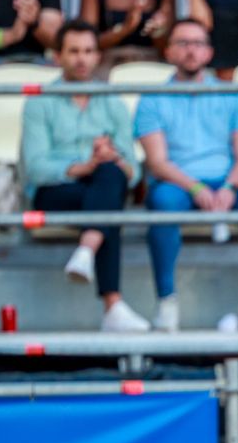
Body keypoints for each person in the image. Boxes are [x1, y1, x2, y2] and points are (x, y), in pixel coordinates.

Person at [137, 18, 238, 332]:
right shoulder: (151, 98)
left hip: (226, 183)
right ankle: (166, 301)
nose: (190, 51)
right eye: (182, 43)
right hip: (178, 184)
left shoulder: (231, 96)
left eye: (197, 43)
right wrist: (196, 187)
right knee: (162, 205)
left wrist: (229, 188)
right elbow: (157, 162)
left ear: (209, 52)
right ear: (168, 51)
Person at [21, 21, 146, 333]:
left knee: (111, 176)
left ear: (98, 56)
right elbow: (36, 168)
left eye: (88, 51)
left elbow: (133, 170)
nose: (81, 59)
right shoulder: (39, 102)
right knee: (109, 202)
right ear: (57, 56)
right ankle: (112, 306)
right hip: (56, 190)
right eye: (74, 51)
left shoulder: (113, 102)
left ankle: (87, 251)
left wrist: (112, 157)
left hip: (100, 187)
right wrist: (86, 166)